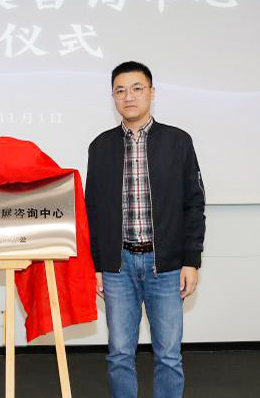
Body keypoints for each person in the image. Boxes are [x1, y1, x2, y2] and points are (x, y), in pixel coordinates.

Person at [85, 61, 206, 398]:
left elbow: (194, 203)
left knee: (168, 355)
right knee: (119, 354)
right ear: (113, 97)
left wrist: (191, 260)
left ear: (152, 93)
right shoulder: (100, 146)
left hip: (165, 265)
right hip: (118, 266)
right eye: (120, 90)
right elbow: (92, 209)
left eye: (137, 88)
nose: (129, 97)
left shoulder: (178, 141)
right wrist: (96, 264)